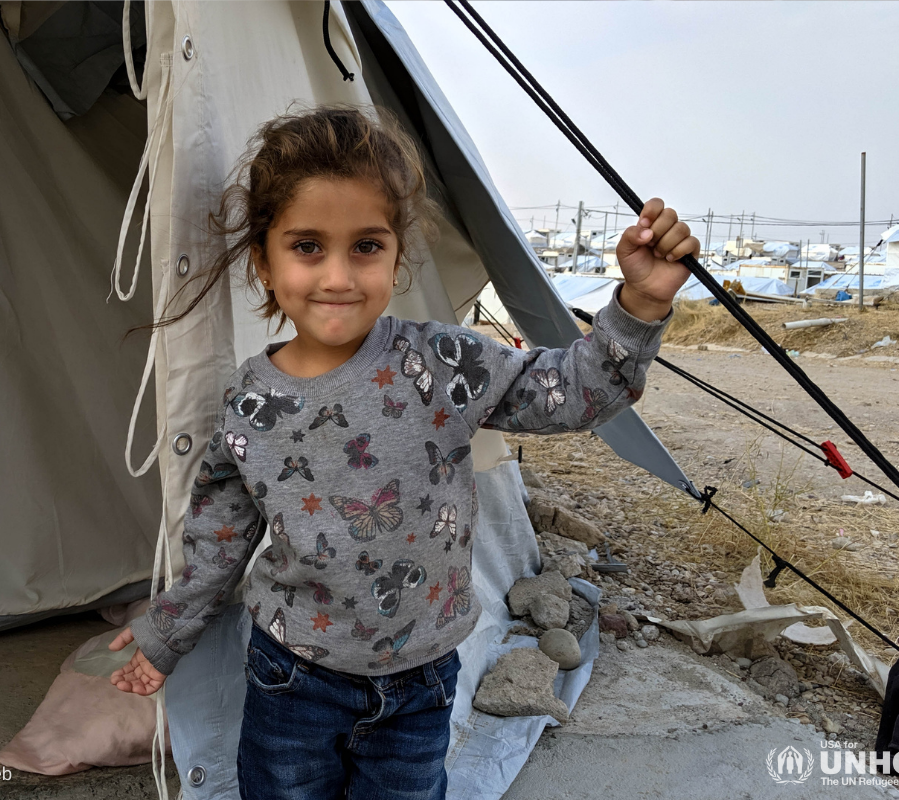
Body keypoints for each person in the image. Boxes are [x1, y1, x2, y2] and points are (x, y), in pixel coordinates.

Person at [109, 105, 698, 800]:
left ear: (396, 255)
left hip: (420, 684)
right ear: (264, 262)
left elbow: (572, 393)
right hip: (290, 679)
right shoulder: (251, 404)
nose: (337, 276)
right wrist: (168, 632)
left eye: (365, 245)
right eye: (306, 246)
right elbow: (221, 536)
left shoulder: (441, 365)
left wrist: (639, 307)